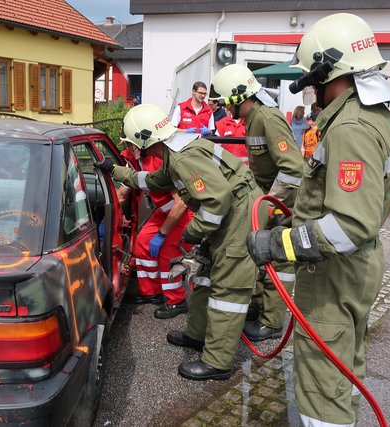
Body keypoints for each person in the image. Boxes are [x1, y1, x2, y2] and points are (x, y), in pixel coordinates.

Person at [246, 13, 390, 426]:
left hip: (335, 273)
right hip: (358, 266)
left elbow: (349, 225)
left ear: (326, 70)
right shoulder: (380, 118)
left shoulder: (350, 127)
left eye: (312, 78)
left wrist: (276, 245)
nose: (311, 88)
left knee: (321, 381)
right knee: (345, 366)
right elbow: (338, 205)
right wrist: (293, 226)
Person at [95, 103, 262, 380]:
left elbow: (217, 200)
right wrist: (114, 170)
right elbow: (152, 181)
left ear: (145, 140)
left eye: (132, 142)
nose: (133, 148)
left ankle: (217, 363)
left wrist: (193, 232)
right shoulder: (175, 153)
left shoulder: (182, 158)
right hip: (230, 213)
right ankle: (197, 335)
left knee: (228, 291)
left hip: (239, 214)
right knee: (205, 278)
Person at [210, 63, 303, 342]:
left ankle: (272, 322)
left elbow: (293, 169)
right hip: (271, 200)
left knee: (281, 261)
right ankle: (261, 307)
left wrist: (270, 204)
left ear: (239, 96)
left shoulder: (268, 118)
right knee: (263, 256)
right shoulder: (253, 118)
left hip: (284, 205)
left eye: (227, 102)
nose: (225, 108)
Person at [117, 142, 193, 319]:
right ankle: (151, 292)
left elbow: (181, 203)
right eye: (126, 143)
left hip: (182, 212)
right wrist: (117, 214)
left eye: (130, 143)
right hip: (165, 212)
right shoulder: (133, 160)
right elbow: (122, 194)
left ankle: (177, 300)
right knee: (143, 241)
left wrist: (161, 234)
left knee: (168, 253)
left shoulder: (160, 161)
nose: (128, 147)